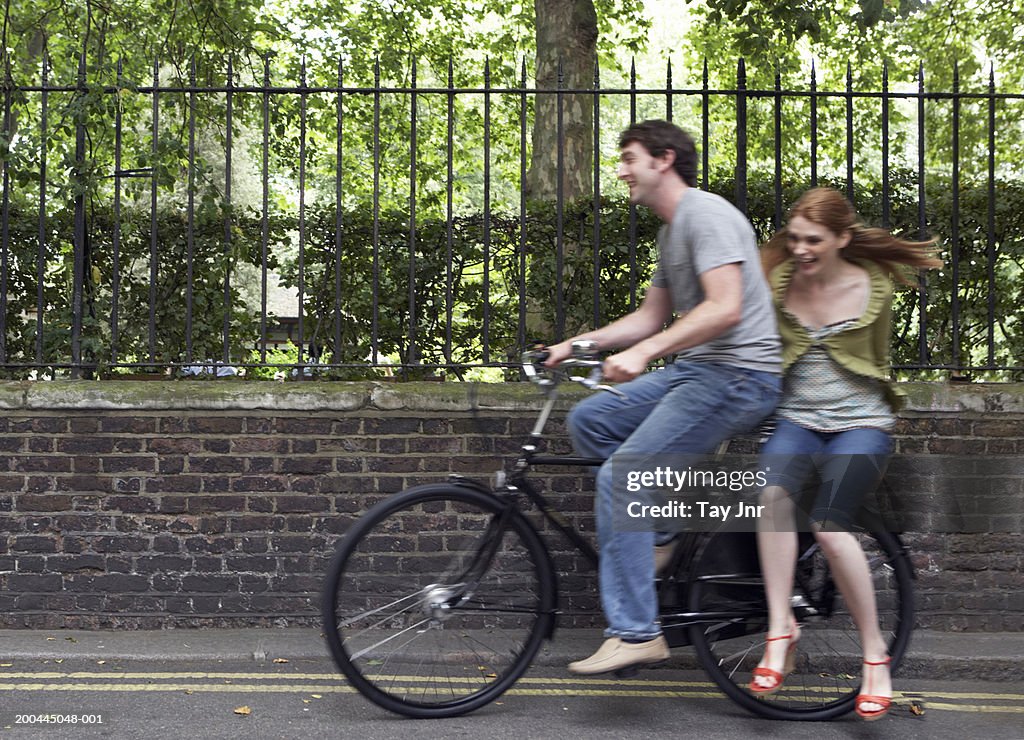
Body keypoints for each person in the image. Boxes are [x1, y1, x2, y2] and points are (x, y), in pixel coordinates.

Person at [544, 119, 782, 676]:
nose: (622, 170)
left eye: (629, 158)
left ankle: (635, 632)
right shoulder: (672, 231)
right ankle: (660, 533)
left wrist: (647, 352)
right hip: (696, 372)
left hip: (739, 377)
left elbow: (725, 308)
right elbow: (651, 315)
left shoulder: (708, 215)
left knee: (622, 476)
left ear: (664, 159)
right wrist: (576, 344)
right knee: (593, 421)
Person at [750, 187, 940, 721]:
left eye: (814, 240)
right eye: (794, 238)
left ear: (842, 239)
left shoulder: (871, 285)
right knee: (773, 499)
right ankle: (779, 628)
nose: (801, 248)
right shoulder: (778, 281)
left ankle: (874, 658)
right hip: (797, 420)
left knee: (831, 529)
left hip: (861, 424)